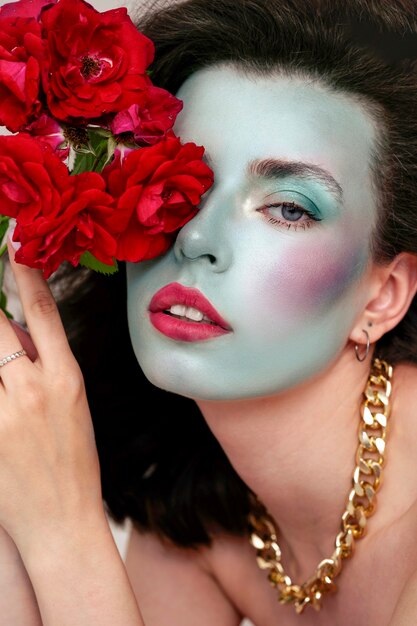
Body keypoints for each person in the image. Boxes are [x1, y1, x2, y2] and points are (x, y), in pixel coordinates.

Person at [1, 0, 417, 624]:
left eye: (287, 208)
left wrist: (63, 530)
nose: (196, 239)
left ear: (383, 296)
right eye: (180, 180)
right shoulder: (196, 510)